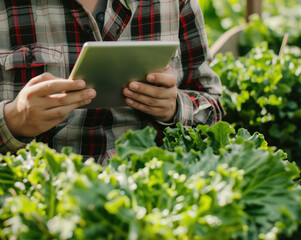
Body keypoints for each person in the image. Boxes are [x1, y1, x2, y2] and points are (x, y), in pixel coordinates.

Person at [0, 0, 224, 164]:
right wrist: (12, 120)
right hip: (42, 201)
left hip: (151, 197)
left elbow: (213, 109)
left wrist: (175, 108)